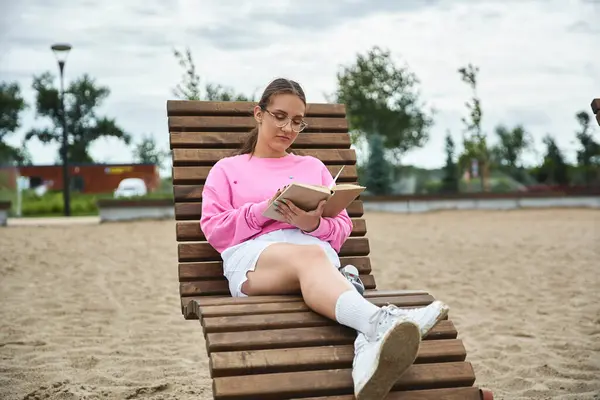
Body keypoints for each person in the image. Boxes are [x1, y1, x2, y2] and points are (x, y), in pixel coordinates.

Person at [200, 78, 449, 400]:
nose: (288, 127)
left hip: (316, 258)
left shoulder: (312, 167)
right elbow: (214, 229)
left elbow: (341, 229)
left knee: (317, 257)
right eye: (279, 116)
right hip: (256, 262)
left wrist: (312, 223)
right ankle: (379, 321)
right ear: (258, 114)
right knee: (316, 259)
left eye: (297, 121)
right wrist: (263, 211)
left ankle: (366, 351)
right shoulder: (227, 168)